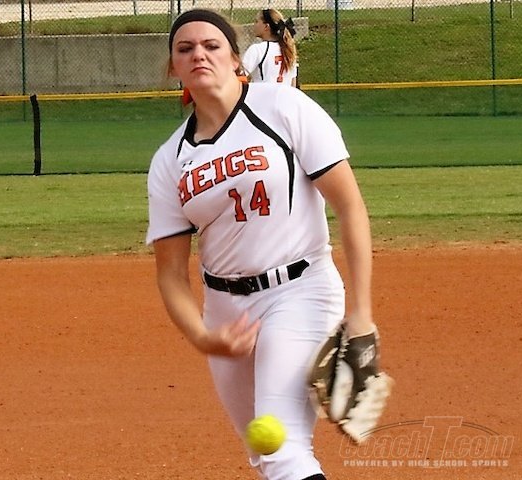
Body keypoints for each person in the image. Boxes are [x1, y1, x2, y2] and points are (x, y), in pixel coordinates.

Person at [146, 9, 380, 480]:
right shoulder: (170, 160)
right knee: (262, 446)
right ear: (173, 68)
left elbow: (350, 207)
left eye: (211, 45)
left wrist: (361, 313)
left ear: (236, 58)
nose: (198, 54)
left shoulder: (283, 107)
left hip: (301, 290)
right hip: (226, 311)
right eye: (185, 49)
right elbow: (170, 274)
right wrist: (202, 336)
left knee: (282, 448)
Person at [242, 8, 298, 87]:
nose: (254, 25)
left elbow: (239, 75)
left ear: (266, 26)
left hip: (263, 94)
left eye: (256, 21)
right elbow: (293, 84)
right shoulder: (288, 49)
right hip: (284, 95)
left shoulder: (258, 49)